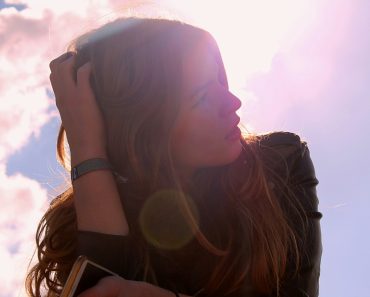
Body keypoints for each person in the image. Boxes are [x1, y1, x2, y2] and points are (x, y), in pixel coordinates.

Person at [26, 17, 322, 297]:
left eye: (220, 80)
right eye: (202, 97)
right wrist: (87, 146)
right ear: (144, 131)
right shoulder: (76, 221)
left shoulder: (280, 163)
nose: (233, 102)